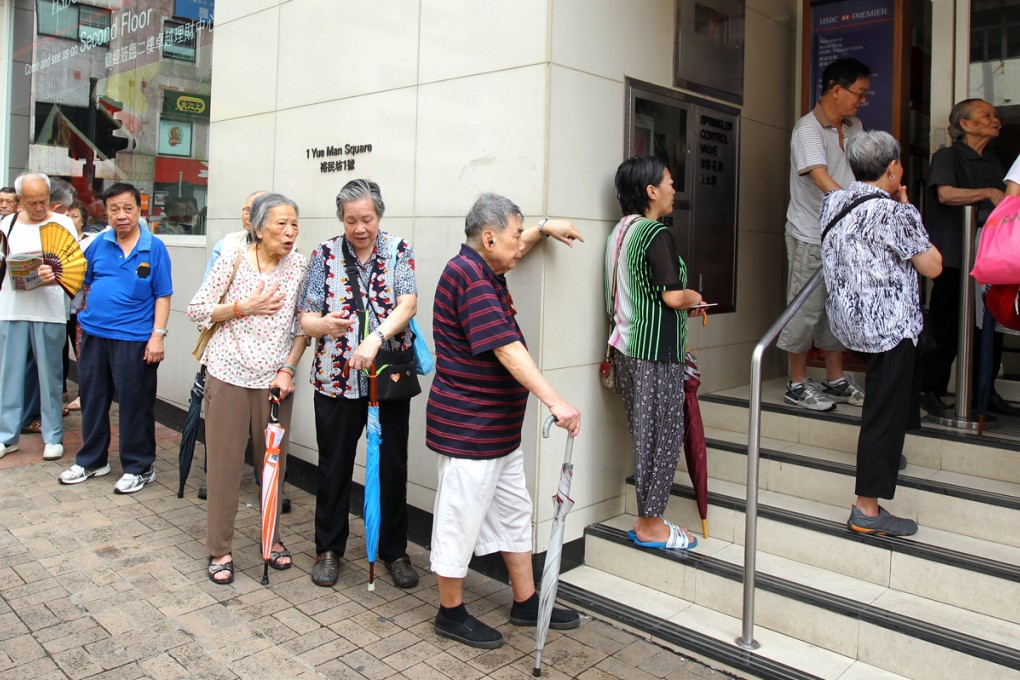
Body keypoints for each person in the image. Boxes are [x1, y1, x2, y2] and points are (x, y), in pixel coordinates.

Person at [426, 193, 583, 649]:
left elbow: (511, 247)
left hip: (498, 431)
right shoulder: (470, 278)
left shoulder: (484, 266)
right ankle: (449, 613)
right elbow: (506, 348)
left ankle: (526, 601)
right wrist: (556, 402)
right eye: (516, 235)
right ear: (489, 237)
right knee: (459, 520)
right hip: (470, 430)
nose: (521, 245)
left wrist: (542, 228)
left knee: (516, 514)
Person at [298, 179, 421, 590]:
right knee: (333, 467)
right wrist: (324, 325)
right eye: (351, 220)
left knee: (392, 467)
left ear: (379, 216)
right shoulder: (324, 254)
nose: (360, 228)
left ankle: (394, 550)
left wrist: (376, 337)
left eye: (367, 219)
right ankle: (328, 548)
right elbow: (307, 318)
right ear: (342, 220)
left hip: (387, 381)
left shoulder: (398, 250)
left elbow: (408, 304)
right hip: (335, 381)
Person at [821, 131, 942, 535]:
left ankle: (893, 451)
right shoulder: (895, 213)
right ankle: (866, 510)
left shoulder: (834, 202)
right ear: (893, 169)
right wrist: (910, 210)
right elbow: (933, 266)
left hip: (850, 322)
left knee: (894, 395)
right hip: (888, 326)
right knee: (882, 413)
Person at [188, 192, 308, 585]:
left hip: (274, 382)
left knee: (273, 466)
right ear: (257, 228)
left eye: (294, 225)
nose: (290, 233)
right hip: (227, 375)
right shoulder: (234, 259)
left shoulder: (300, 267)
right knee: (223, 467)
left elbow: (300, 327)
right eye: (281, 224)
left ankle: (271, 541)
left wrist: (289, 369)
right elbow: (198, 310)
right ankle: (219, 549)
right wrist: (242, 307)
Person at [605, 156, 704, 550]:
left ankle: (648, 518)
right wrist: (694, 295)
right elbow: (672, 295)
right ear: (650, 191)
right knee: (662, 437)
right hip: (654, 352)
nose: (673, 189)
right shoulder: (654, 232)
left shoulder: (620, 232)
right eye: (669, 182)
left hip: (626, 348)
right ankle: (651, 525)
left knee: (645, 435)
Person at [58, 183, 173, 493]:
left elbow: (163, 295)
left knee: (135, 405)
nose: (121, 216)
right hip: (95, 335)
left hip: (135, 339)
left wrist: (157, 337)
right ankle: (92, 460)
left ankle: (139, 467)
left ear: (139, 210)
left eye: (128, 209)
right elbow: (81, 280)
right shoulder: (98, 244)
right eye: (114, 210)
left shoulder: (154, 248)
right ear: (105, 212)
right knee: (93, 400)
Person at [778, 57, 871, 411]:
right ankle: (797, 383)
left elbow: (862, 169)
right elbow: (818, 175)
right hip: (810, 235)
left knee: (837, 311)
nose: (862, 101)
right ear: (836, 89)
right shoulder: (807, 129)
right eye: (859, 94)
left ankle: (834, 380)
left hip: (842, 237)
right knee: (805, 311)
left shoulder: (854, 125)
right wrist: (853, 206)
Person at [920, 99, 1015, 416]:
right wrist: (988, 192)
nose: (995, 119)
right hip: (954, 256)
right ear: (965, 124)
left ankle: (983, 392)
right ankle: (929, 390)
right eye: (987, 115)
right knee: (948, 326)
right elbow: (945, 194)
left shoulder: (993, 161)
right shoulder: (947, 156)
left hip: (989, 260)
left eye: (995, 115)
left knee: (988, 326)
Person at [0, 173, 78, 461]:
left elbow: (74, 266)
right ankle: (7, 435)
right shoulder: (6, 223)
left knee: (51, 374)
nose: (38, 207)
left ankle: (53, 434)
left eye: (43, 201)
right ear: (20, 200)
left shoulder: (62, 223)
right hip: (11, 307)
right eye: (31, 202)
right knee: (9, 374)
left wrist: (53, 274)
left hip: (49, 309)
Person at [65, 200, 93, 413]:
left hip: (81, 307)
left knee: (82, 353)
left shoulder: (91, 243)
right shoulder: (57, 242)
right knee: (58, 352)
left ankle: (85, 394)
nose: (70, 219)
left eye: (74, 215)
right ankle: (60, 389)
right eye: (67, 215)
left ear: (83, 220)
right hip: (59, 308)